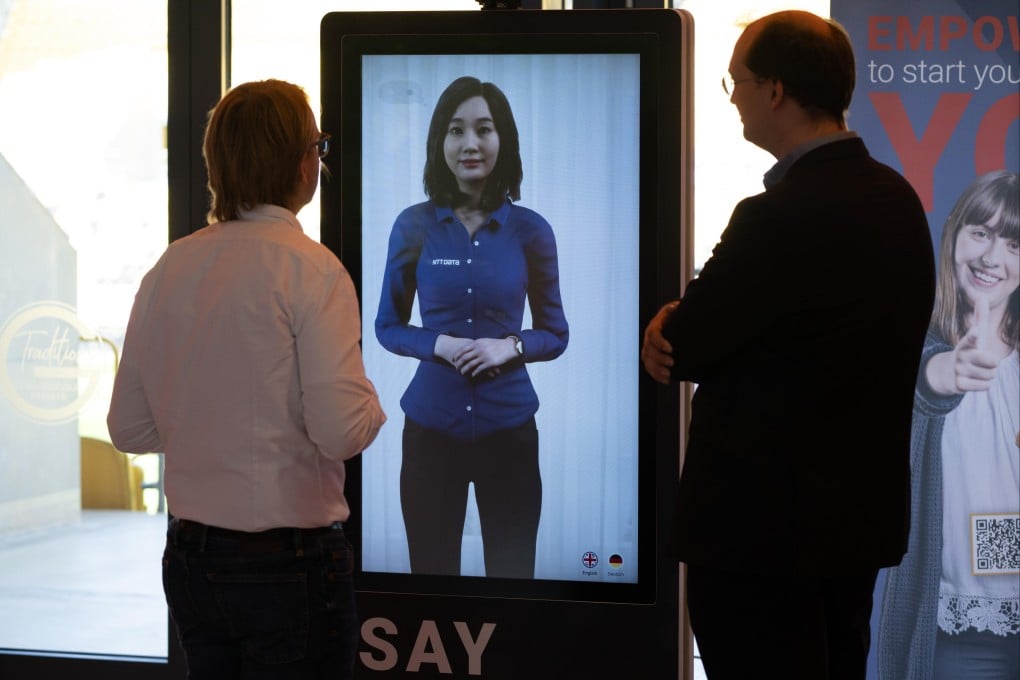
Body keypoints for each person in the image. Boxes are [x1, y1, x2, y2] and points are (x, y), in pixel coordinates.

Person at [640, 11, 935, 680]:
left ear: (774, 90)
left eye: (736, 81)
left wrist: (671, 321)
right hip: (853, 530)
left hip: (758, 542)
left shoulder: (775, 216)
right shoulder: (897, 199)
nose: (734, 96)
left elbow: (684, 347)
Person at [107, 79, 386, 680]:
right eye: (318, 146)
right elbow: (341, 432)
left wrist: (206, 426)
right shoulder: (314, 271)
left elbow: (128, 428)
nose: (320, 158)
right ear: (302, 163)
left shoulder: (168, 269)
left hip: (191, 562)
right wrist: (374, 405)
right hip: (289, 565)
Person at [375, 75, 568, 579]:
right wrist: (437, 343)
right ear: (440, 141)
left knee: (513, 578)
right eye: (456, 130)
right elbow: (386, 326)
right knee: (432, 578)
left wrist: (512, 346)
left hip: (510, 432)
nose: (470, 144)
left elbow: (556, 332)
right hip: (431, 433)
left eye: (484, 129)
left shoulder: (532, 230)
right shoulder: (412, 226)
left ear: (503, 140)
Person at [879, 170, 1019, 679]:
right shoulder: (916, 353)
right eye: (980, 233)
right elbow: (925, 388)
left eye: (1013, 243)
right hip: (963, 631)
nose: (991, 258)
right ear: (954, 234)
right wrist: (940, 377)